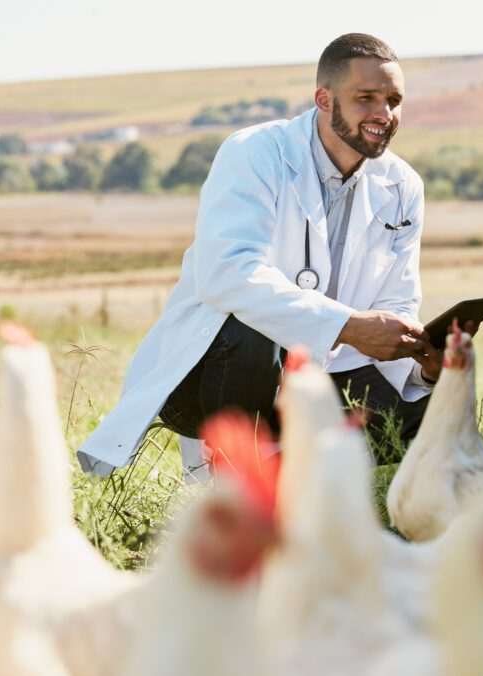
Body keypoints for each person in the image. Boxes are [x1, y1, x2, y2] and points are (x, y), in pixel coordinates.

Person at [78, 33, 454, 477]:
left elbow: (398, 299)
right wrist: (347, 326)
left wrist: (421, 365)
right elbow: (227, 274)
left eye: (393, 100)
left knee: (434, 415)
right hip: (220, 368)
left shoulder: (403, 185)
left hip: (329, 374)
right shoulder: (254, 152)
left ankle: (300, 477)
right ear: (323, 99)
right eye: (366, 98)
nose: (383, 114)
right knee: (252, 328)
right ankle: (233, 478)